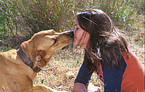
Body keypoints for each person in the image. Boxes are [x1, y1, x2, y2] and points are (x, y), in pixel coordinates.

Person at [72, 9, 144, 92]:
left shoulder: (111, 52)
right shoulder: (92, 51)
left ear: (91, 32)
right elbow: (79, 82)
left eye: (77, 28)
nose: (73, 31)